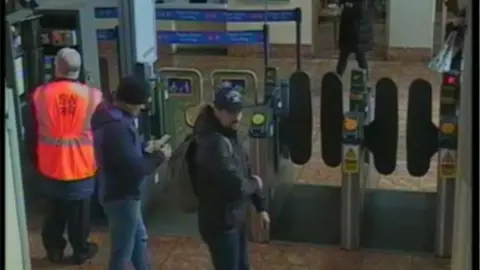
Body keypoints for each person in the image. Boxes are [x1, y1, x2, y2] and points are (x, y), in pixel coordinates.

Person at [25, 47, 103, 264]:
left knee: (54, 210)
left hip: (50, 164)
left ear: (55, 67)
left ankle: (54, 250)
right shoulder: (93, 96)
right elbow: (101, 131)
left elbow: (30, 133)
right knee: (79, 213)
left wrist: (36, 160)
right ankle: (81, 250)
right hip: (82, 165)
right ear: (79, 70)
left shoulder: (40, 95)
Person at [91, 76, 172, 270]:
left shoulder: (109, 115)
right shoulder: (118, 128)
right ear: (132, 103)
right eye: (142, 103)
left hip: (118, 191)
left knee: (138, 240)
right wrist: (160, 156)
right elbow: (134, 170)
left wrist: (144, 148)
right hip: (121, 196)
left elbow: (122, 156)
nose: (143, 108)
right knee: (123, 251)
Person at [192, 86, 270, 270]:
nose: (237, 117)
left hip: (234, 217)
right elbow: (236, 186)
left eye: (239, 111)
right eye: (230, 112)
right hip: (220, 224)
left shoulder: (228, 133)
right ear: (217, 111)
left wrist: (261, 206)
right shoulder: (212, 143)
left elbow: (244, 169)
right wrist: (255, 184)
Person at [336, 0, 374, 77]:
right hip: (347, 30)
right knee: (343, 56)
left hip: (358, 32)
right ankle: (337, 79)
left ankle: (365, 80)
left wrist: (349, 6)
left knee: (360, 56)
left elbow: (361, 10)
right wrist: (343, 5)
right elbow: (341, 3)